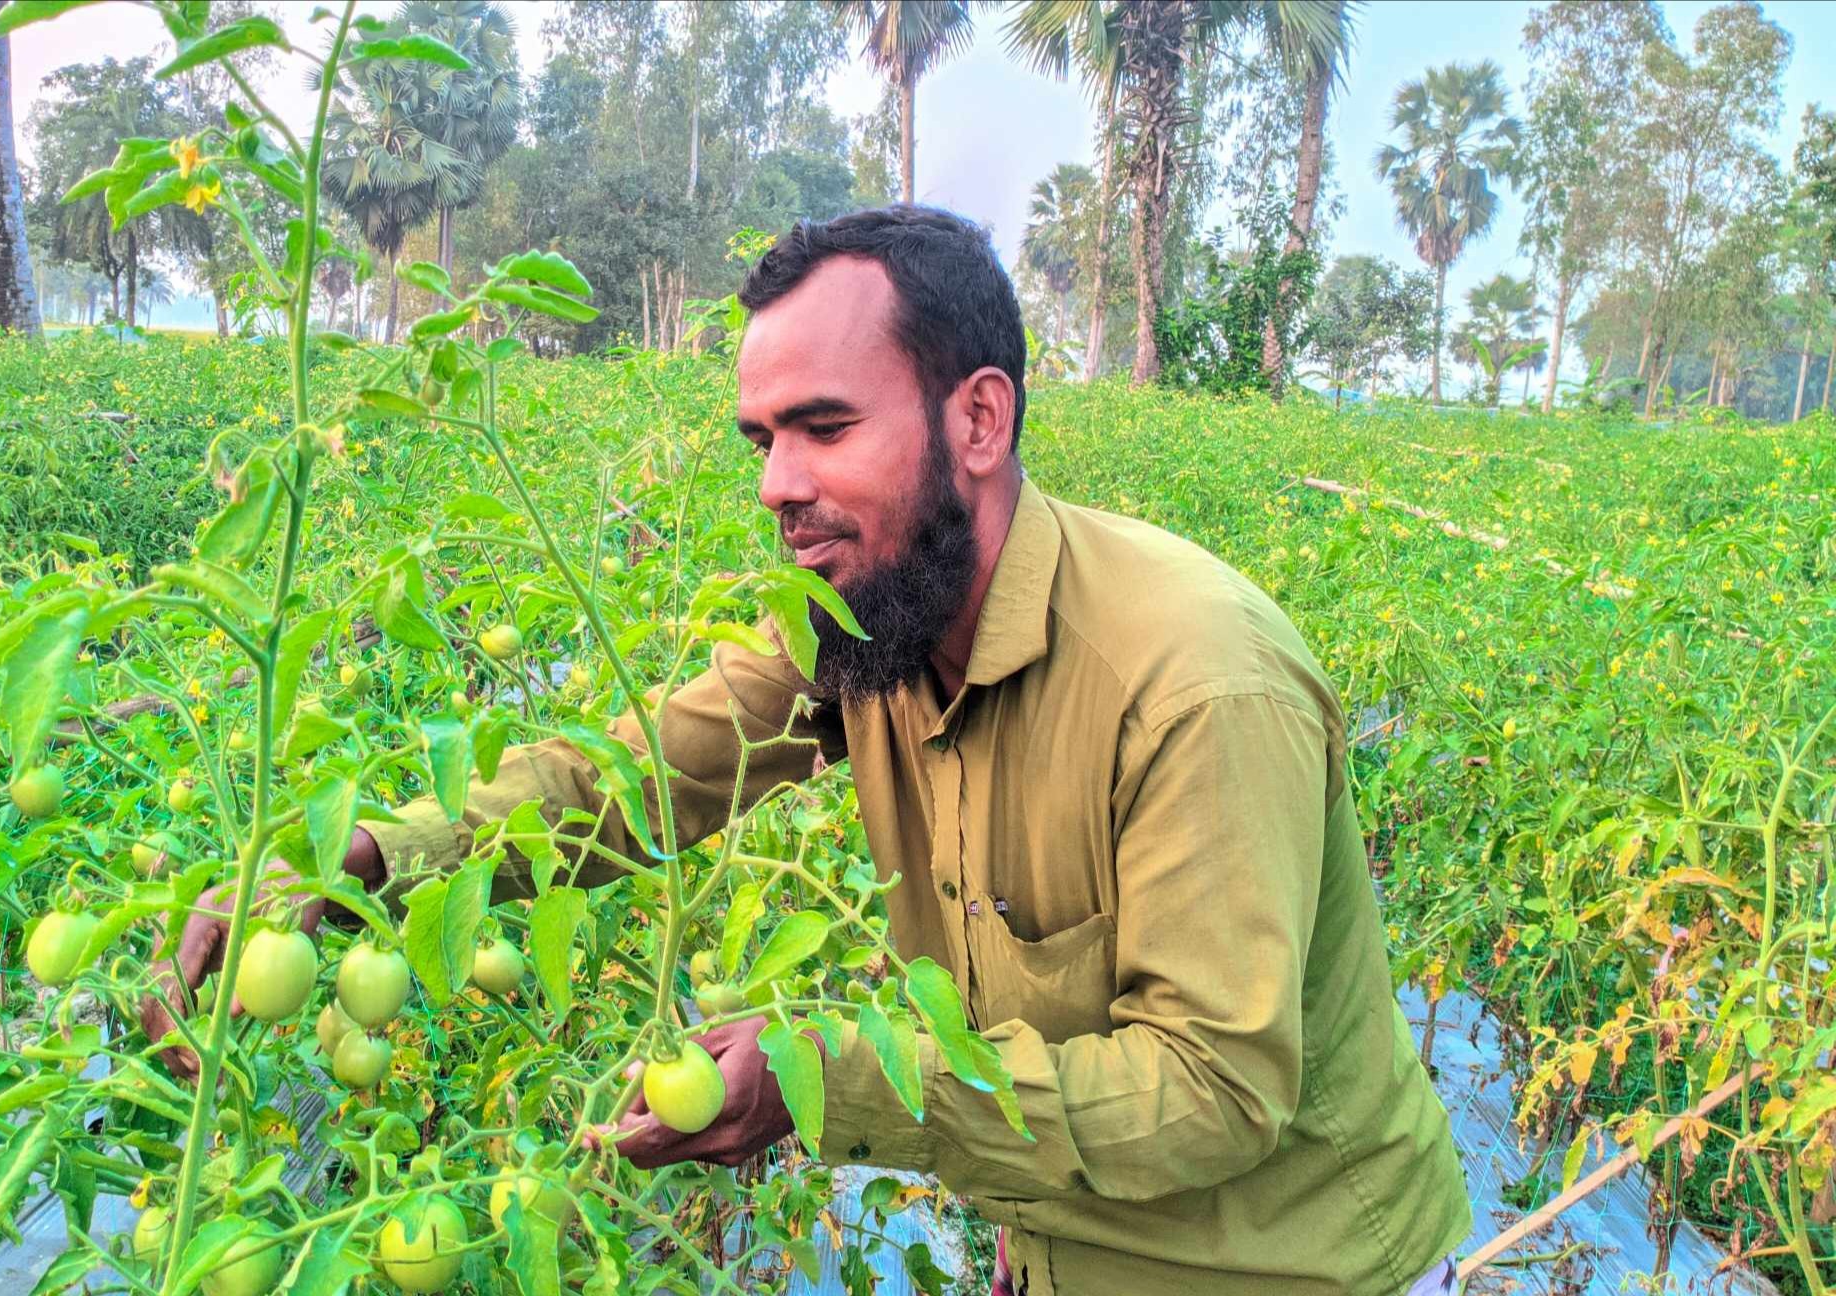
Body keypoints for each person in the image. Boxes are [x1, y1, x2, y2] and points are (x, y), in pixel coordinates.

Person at [144, 206, 1470, 1295]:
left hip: (1278, 1267)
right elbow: (637, 774)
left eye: (825, 428)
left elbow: (1209, 1095)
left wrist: (829, 1079)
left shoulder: (1194, 684)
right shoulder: (864, 619)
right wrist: (369, 859)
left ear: (980, 422)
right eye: (763, 439)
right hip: (1057, 1238)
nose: (778, 481)